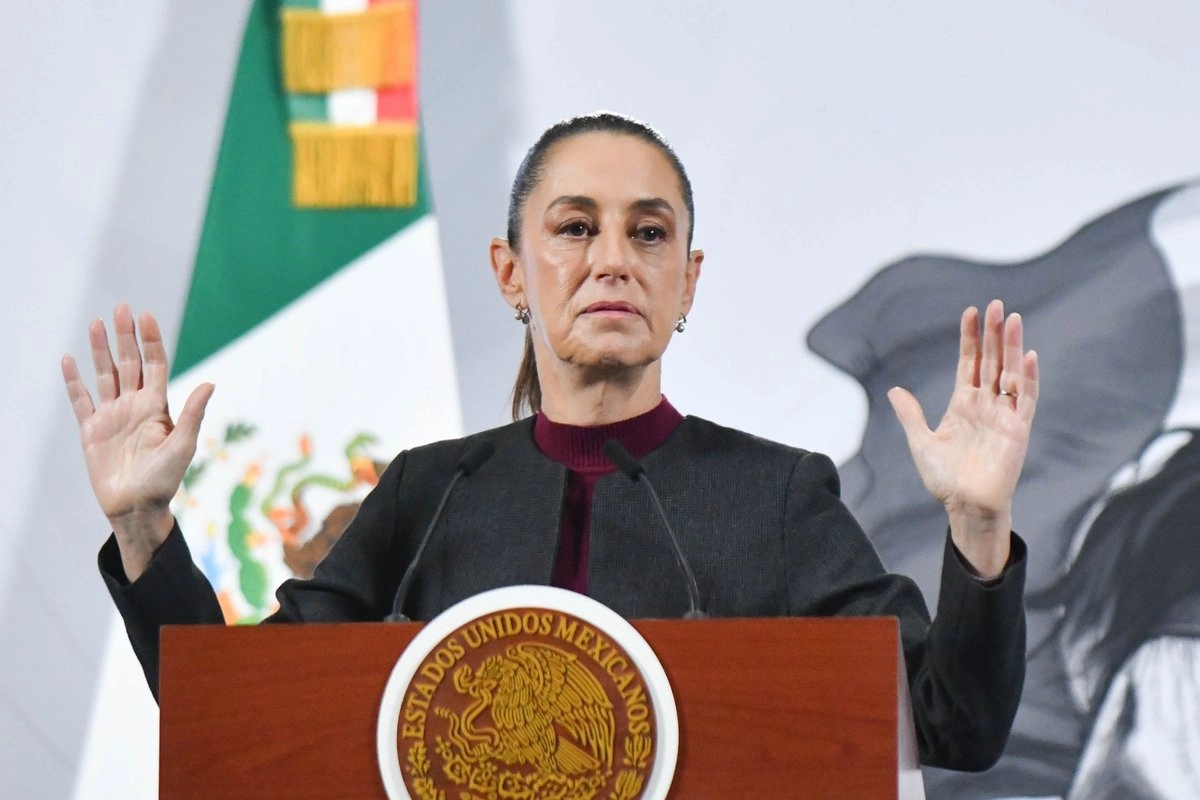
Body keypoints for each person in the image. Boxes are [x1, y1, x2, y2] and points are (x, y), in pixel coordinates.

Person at [62, 112, 1037, 772]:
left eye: (649, 234)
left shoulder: (775, 494)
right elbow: (241, 715)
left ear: (687, 282)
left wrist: (980, 529)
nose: (614, 258)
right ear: (512, 269)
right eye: (575, 227)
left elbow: (956, 721)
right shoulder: (428, 493)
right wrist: (147, 528)